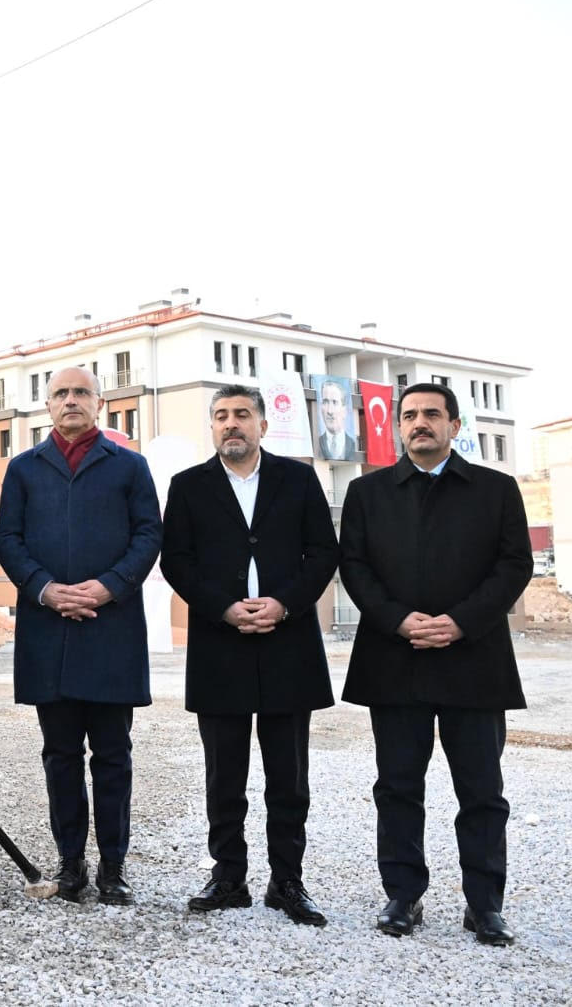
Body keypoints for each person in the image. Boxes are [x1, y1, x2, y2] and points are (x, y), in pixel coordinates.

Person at [340, 382, 532, 946]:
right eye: (409, 415)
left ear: (454, 424)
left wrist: (461, 622)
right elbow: (354, 566)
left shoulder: (496, 489)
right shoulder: (367, 492)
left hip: (474, 660)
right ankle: (403, 895)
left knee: (482, 790)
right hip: (394, 658)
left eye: (431, 414)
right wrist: (397, 619)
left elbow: (514, 564)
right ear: (398, 427)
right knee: (398, 786)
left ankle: (485, 905)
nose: (419, 423)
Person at [159, 385, 339, 925]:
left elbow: (323, 552)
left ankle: (287, 881)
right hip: (220, 644)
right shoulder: (189, 486)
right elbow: (177, 561)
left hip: (288, 643)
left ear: (261, 424)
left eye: (242, 415)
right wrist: (223, 608)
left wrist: (283, 604)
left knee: (289, 777)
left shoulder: (298, 479)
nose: (231, 424)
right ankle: (228, 877)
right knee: (224, 774)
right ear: (211, 427)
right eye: (221, 417)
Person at [0, 366, 160, 905]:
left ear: (101, 402)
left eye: (81, 392)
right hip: (48, 630)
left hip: (110, 630)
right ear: (48, 406)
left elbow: (148, 535)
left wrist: (109, 587)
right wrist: (44, 589)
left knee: (113, 755)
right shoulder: (22, 469)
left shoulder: (130, 467)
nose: (71, 401)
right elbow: (8, 540)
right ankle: (71, 864)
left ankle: (114, 868)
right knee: (60, 754)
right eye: (61, 393)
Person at [317, 379, 361, 462]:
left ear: (344, 410)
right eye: (325, 402)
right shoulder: (317, 443)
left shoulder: (352, 444)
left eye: (335, 402)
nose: (329, 411)